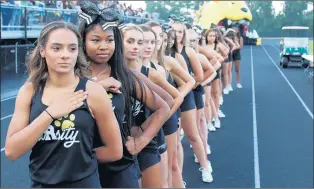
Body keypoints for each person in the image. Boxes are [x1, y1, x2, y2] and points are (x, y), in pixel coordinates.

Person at [5, 21, 123, 188]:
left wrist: (79, 161)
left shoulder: (93, 92)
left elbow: (115, 150)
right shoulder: (29, 91)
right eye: (57, 48)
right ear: (42, 51)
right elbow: (11, 151)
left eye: (72, 48)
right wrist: (49, 114)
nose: (65, 55)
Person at [77, 2, 171, 187]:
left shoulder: (125, 76)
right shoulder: (72, 77)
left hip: (120, 168)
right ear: (83, 41)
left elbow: (163, 107)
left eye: (109, 40)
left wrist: (142, 138)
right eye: (96, 40)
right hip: (80, 163)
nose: (104, 46)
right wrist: (97, 86)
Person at [172, 19, 213, 183]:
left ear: (183, 35)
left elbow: (200, 75)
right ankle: (178, 178)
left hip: (187, 96)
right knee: (175, 143)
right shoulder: (164, 53)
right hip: (172, 99)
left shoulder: (188, 52)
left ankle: (205, 166)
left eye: (180, 32)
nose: (176, 35)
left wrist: (188, 87)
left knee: (192, 134)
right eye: (173, 31)